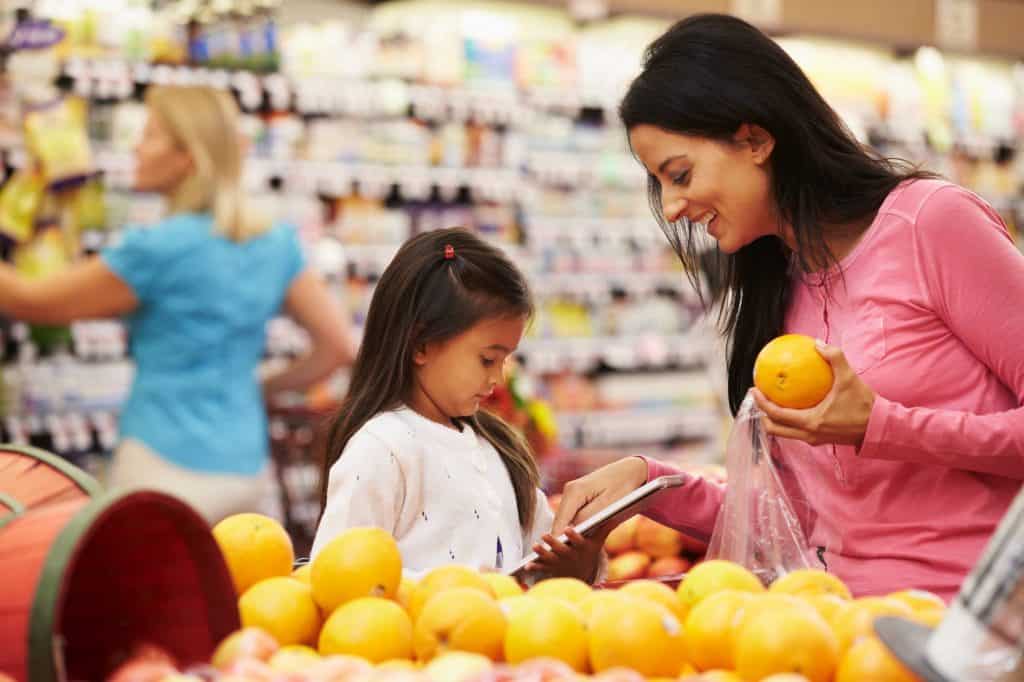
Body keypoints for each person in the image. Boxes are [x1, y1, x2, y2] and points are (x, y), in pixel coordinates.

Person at [551, 14, 1024, 599]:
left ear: (755, 139)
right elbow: (789, 517)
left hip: (961, 625)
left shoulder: (931, 224)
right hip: (829, 625)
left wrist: (883, 427)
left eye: (679, 174)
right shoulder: (781, 284)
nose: (671, 207)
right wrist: (649, 485)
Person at [0, 85, 355, 523]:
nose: (135, 147)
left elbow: (30, 302)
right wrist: (257, 388)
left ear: (188, 156)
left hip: (161, 461)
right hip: (245, 465)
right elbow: (337, 347)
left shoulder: (156, 251)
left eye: (149, 135)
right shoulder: (275, 241)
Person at [312, 227, 602, 578]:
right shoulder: (382, 449)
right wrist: (459, 588)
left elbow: (536, 563)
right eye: (487, 359)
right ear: (421, 344)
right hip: (410, 632)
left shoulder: (499, 448)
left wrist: (578, 564)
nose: (498, 379)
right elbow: (336, 575)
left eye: (506, 359)